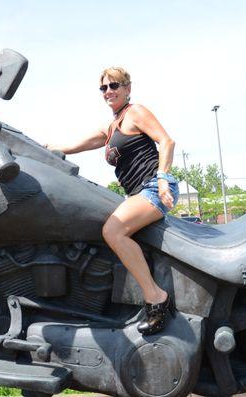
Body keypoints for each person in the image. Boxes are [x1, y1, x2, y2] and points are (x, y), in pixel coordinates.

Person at [46, 67, 179, 335]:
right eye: (103, 88)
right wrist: (46, 150)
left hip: (154, 188)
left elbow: (166, 141)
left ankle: (156, 298)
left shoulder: (136, 112)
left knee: (113, 230)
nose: (109, 91)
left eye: (114, 85)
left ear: (128, 89)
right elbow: (77, 145)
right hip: (137, 193)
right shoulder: (111, 128)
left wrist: (163, 178)